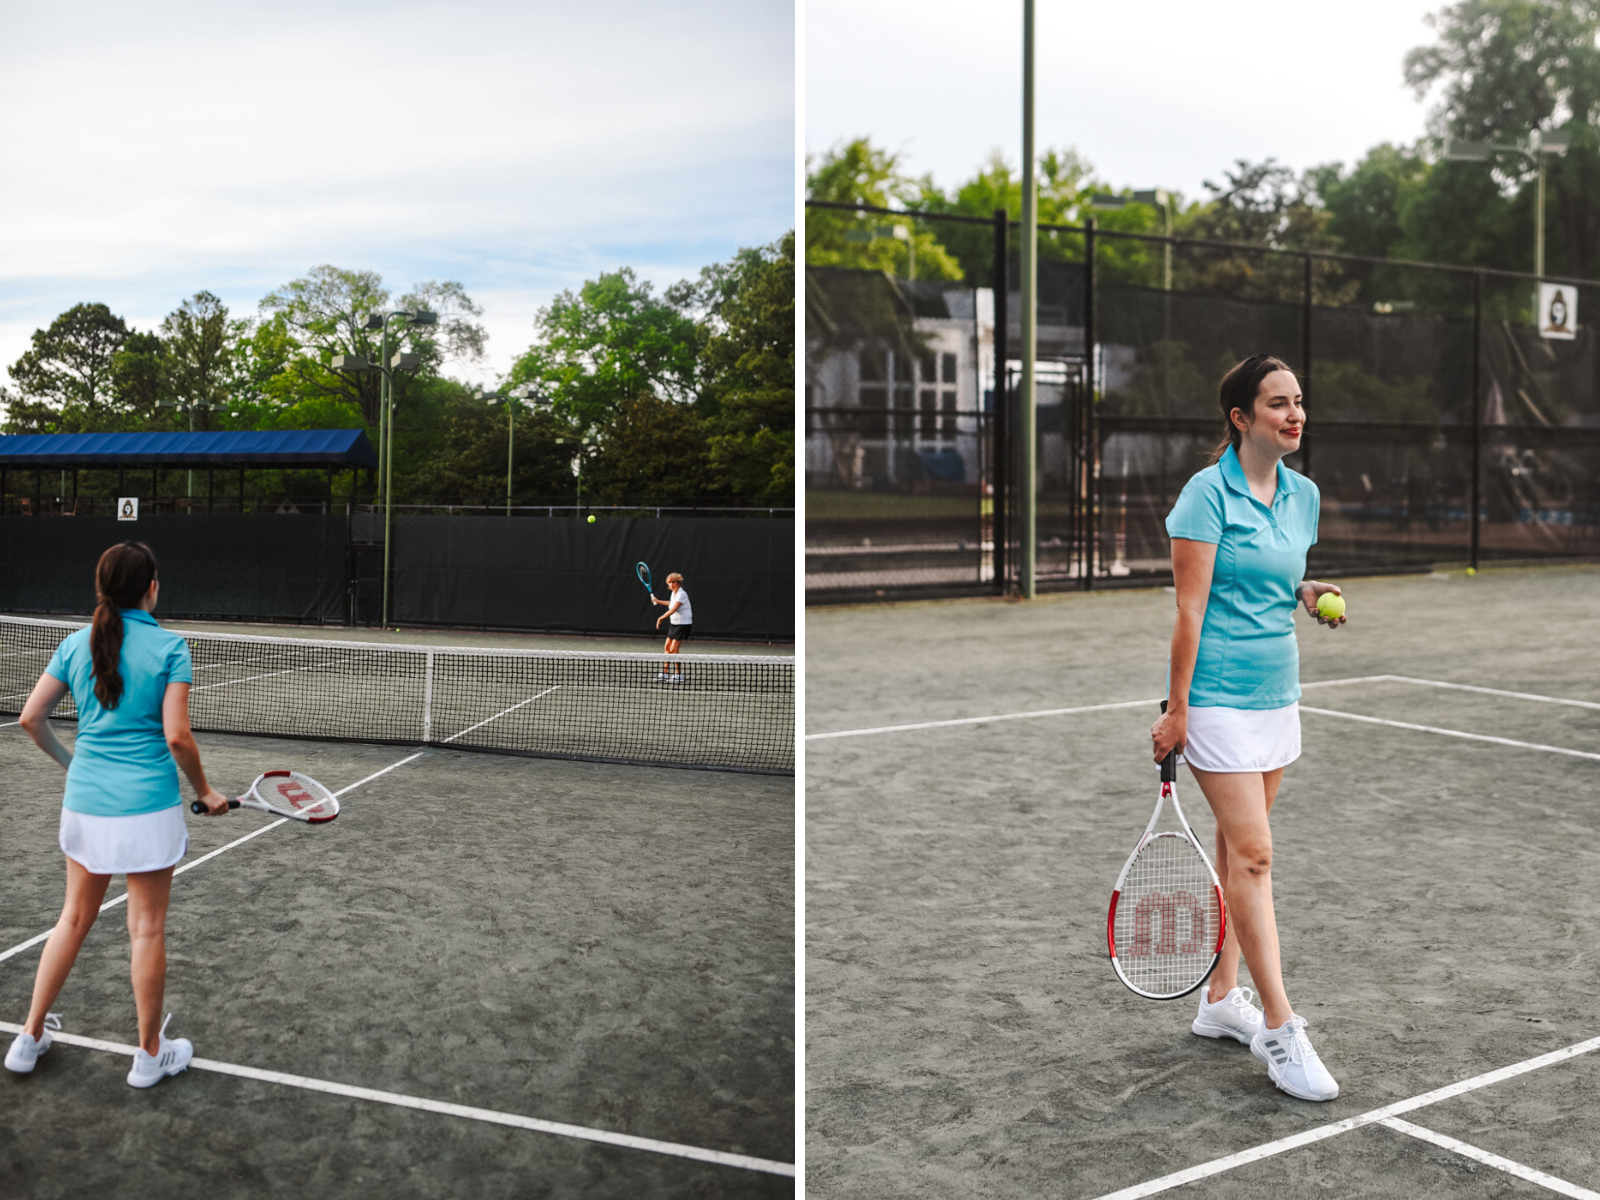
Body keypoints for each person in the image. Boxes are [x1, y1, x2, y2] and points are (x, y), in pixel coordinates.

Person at [1150, 354, 1347, 1103]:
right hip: (1218, 700)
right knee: (1258, 857)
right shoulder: (1205, 496)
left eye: (1299, 402)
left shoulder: (1304, 496)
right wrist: (1177, 710)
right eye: (1277, 404)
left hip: (1278, 693)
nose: (1295, 415)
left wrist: (1306, 588)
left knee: (1241, 851)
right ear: (1242, 418)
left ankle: (1218, 1002)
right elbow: (1191, 609)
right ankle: (1279, 1026)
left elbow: (1268, 570)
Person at [5, 542, 230, 1089]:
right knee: (146, 930)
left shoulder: (74, 643)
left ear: (101, 587)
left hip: (85, 804)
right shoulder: (171, 646)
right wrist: (206, 790)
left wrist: (73, 764)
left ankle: (28, 1037)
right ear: (151, 587)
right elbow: (177, 735)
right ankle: (150, 1055)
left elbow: (31, 718)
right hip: (147, 808)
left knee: (73, 920)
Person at [650, 571, 693, 682]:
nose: (671, 584)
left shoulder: (682, 594)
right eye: (669, 582)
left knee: (674, 649)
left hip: (683, 624)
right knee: (667, 647)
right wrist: (658, 601)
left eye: (673, 582)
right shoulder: (674, 593)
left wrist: (661, 618)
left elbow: (673, 609)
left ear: (678, 582)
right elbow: (671, 603)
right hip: (674, 624)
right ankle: (665, 673)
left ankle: (678, 675)